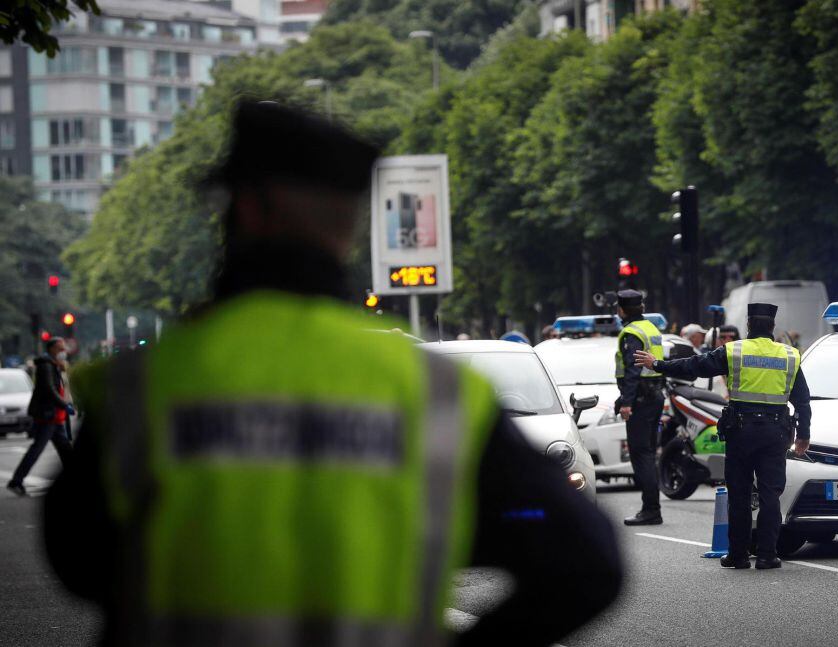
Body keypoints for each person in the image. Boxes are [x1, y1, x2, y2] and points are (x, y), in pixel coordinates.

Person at [44, 101, 621, 646]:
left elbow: (75, 557)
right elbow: (586, 564)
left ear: (247, 208)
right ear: (348, 226)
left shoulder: (147, 384)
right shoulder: (435, 391)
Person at [635, 303, 810, 569]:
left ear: (749, 326)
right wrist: (804, 435)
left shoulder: (734, 350)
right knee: (770, 496)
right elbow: (803, 401)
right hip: (775, 433)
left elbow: (694, 366)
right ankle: (766, 555)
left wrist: (658, 364)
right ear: (772, 327)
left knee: (738, 495)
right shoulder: (790, 355)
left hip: (741, 432)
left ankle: (738, 555)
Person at [614, 289, 666, 526]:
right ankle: (651, 508)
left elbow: (633, 370)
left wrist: (626, 403)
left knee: (641, 454)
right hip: (654, 396)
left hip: (641, 400)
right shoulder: (651, 328)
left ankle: (651, 510)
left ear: (622, 309)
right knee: (648, 453)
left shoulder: (631, 332)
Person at [6, 338, 75, 496]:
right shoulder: (46, 366)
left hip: (54, 417)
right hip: (48, 416)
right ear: (51, 349)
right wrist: (64, 405)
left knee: (65, 449)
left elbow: (62, 388)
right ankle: (16, 481)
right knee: (37, 449)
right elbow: (49, 390)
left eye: (63, 348)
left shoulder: (54, 365)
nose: (63, 351)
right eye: (60, 348)